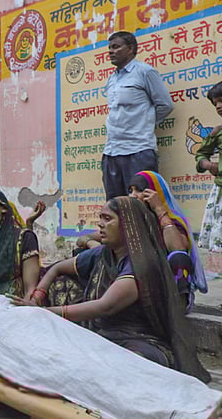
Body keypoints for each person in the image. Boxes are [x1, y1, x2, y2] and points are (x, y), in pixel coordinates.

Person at [0, 293, 218, 419]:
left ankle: (188, 394)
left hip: (30, 320)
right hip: (9, 341)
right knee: (80, 370)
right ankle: (175, 407)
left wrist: (33, 307)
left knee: (103, 356)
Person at [16, 197, 209, 380]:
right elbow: (57, 268)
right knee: (60, 287)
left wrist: (44, 312)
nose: (100, 224)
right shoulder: (104, 254)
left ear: (128, 225)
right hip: (102, 332)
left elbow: (105, 306)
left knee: (124, 365)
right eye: (100, 218)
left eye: (107, 219)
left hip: (137, 339)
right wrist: (38, 294)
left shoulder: (142, 264)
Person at [76, 171, 207, 312]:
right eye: (130, 191)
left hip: (161, 283)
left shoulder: (172, 221)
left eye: (139, 190)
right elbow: (83, 239)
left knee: (179, 257)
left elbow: (178, 247)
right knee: (85, 253)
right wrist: (94, 246)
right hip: (134, 279)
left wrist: (159, 209)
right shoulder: (130, 223)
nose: (133, 195)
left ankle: (179, 305)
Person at [102, 31, 174, 199]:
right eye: (110, 48)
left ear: (130, 49)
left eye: (116, 47)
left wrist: (144, 122)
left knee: (141, 205)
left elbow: (165, 105)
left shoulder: (145, 72)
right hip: (111, 152)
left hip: (138, 150)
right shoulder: (111, 79)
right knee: (115, 206)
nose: (111, 51)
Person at [196, 81, 222, 260]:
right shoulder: (217, 133)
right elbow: (201, 155)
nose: (218, 106)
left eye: (221, 101)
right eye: (215, 103)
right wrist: (208, 164)